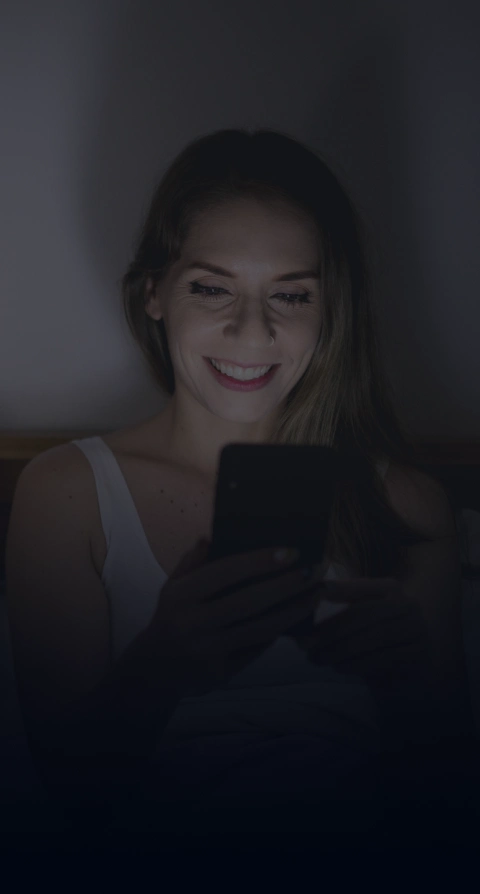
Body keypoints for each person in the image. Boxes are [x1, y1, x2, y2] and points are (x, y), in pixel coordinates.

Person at [5, 128, 475, 854]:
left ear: (331, 311)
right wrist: (161, 665)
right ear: (155, 292)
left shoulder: (408, 505)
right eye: (212, 287)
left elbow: (441, 806)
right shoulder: (67, 494)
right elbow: (66, 796)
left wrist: (410, 687)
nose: (250, 329)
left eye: (290, 294)